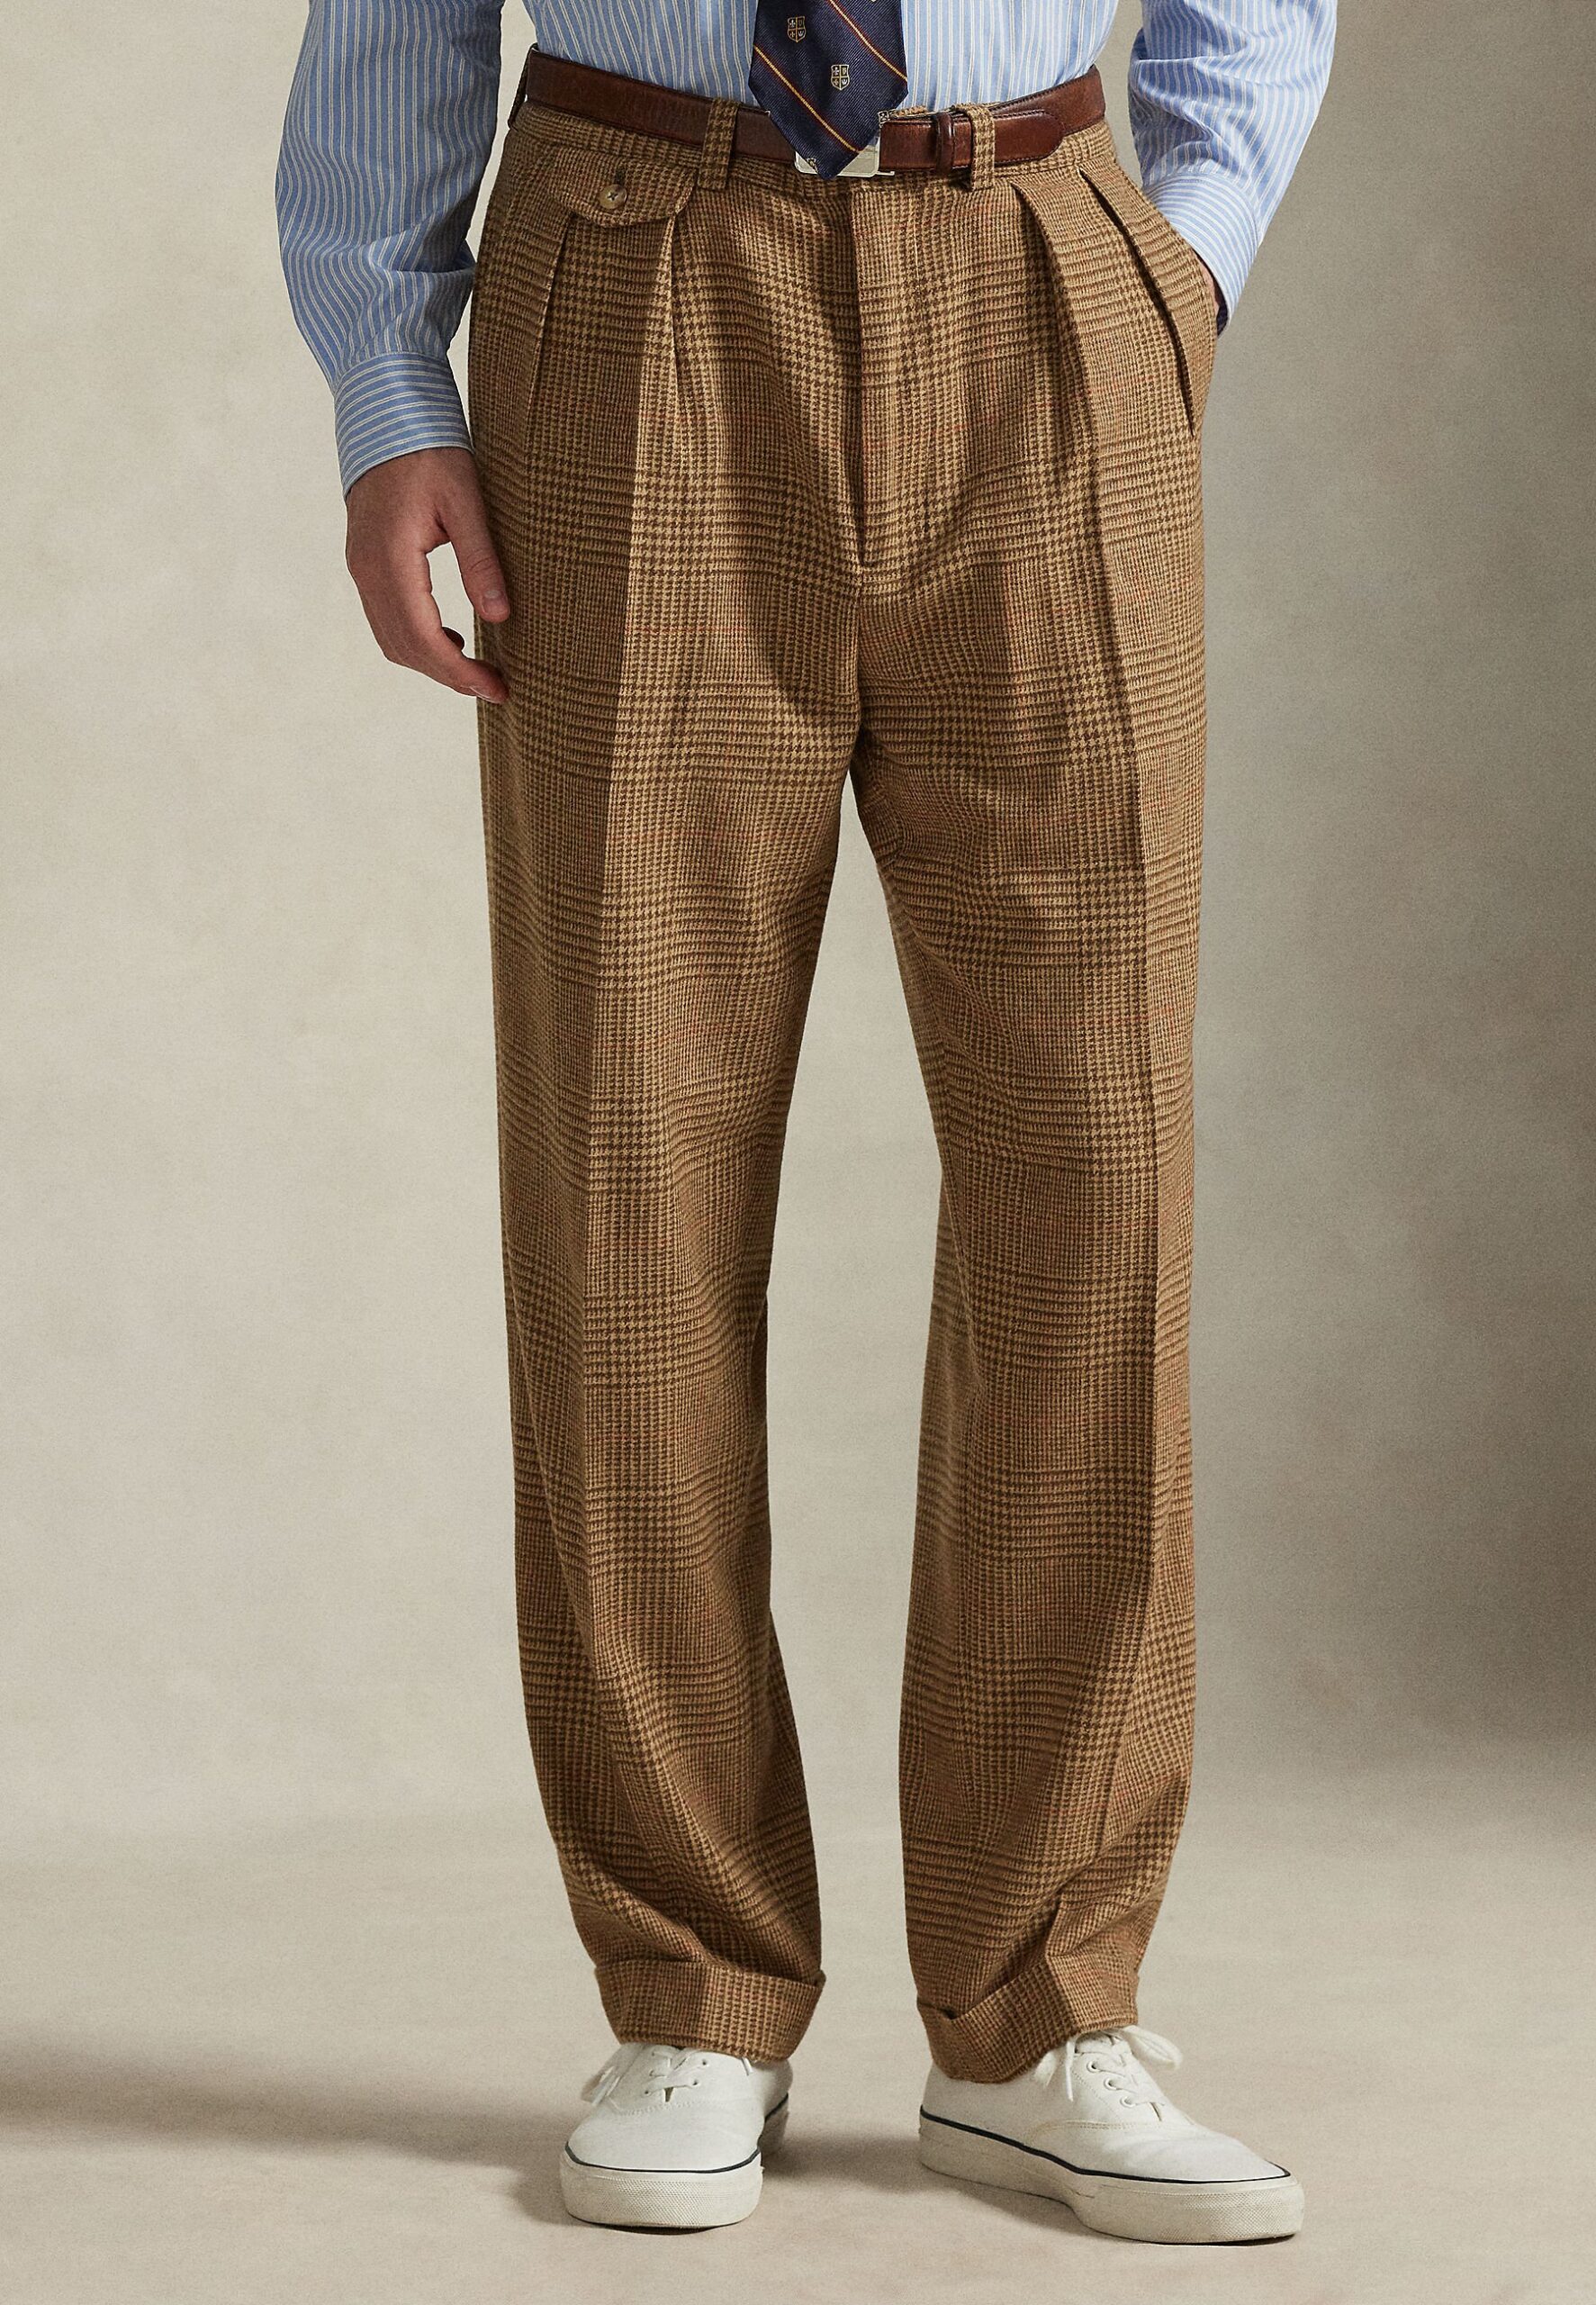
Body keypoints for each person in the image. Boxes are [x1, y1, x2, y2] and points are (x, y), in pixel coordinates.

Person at [277, 0, 1333, 2245]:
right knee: (627, 1178)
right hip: (632, 272)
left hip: (1045, 269)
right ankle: (692, 1985)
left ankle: (1039, 2007)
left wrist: (1178, 270)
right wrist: (390, 389)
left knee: (1094, 1180)